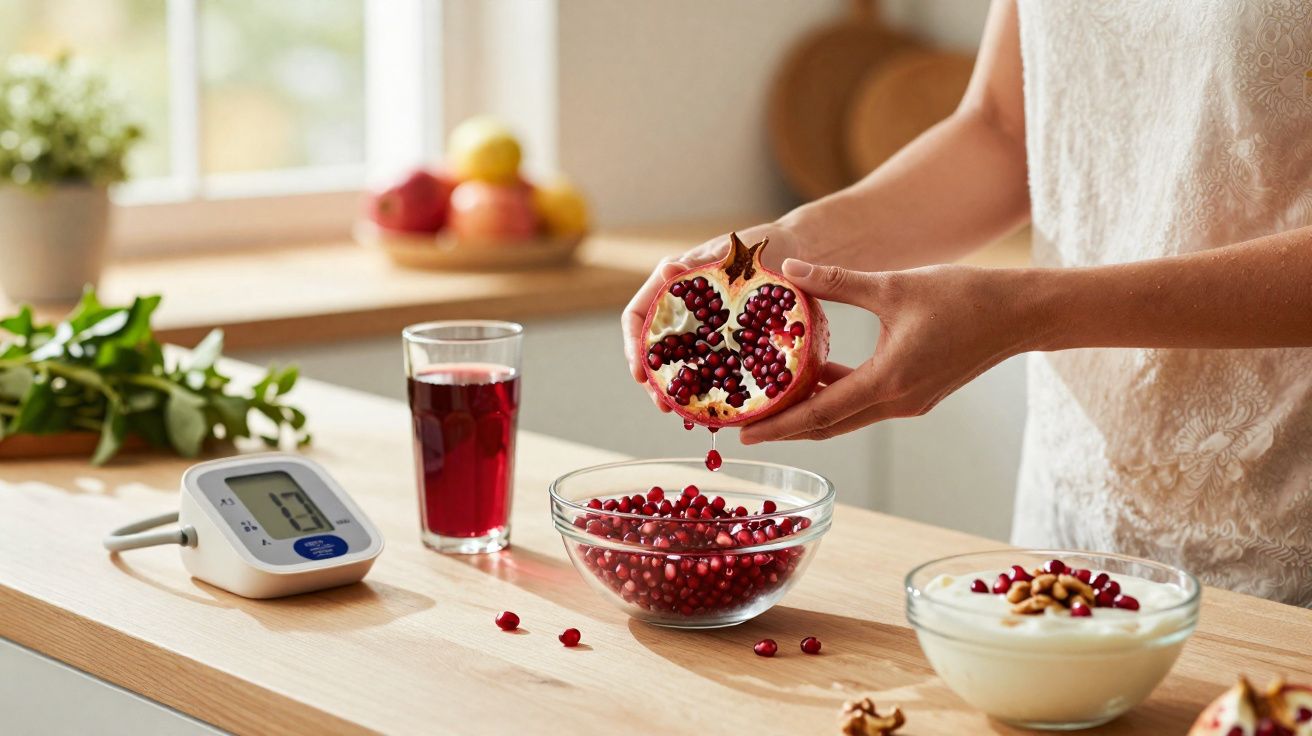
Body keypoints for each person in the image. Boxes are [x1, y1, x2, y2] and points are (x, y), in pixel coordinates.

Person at [621, 0, 1312, 606]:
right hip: (1075, 506)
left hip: (1284, 525)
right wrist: (798, 239)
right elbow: (1003, 130)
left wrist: (1029, 313)